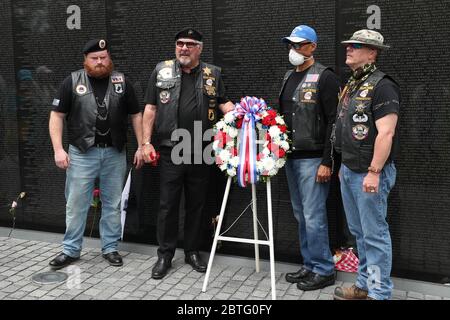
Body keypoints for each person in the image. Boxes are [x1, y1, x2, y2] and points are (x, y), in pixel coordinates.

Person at [142, 28, 234, 280]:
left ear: (200, 48)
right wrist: (145, 143)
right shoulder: (162, 70)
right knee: (168, 204)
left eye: (190, 44)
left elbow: (224, 102)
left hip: (201, 148)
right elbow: (150, 109)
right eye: (180, 43)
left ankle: (192, 251)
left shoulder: (212, 74)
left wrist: (243, 115)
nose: (184, 48)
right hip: (171, 149)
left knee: (198, 205)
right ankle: (165, 255)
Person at [48, 39, 144, 269]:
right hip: (81, 154)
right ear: (86, 60)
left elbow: (136, 115)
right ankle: (70, 250)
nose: (100, 62)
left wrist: (142, 145)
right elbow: (56, 116)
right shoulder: (72, 81)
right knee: (76, 203)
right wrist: (58, 149)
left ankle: (110, 248)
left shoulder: (122, 82)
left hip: (114, 153)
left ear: (109, 58)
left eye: (103, 57)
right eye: (94, 58)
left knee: (112, 203)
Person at [332, 29, 400, 300]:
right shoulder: (353, 82)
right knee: (359, 233)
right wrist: (343, 166)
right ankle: (363, 286)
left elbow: (386, 133)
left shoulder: (383, 85)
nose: (348, 49)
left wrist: (373, 172)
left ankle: (379, 294)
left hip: (370, 173)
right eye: (348, 45)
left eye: (356, 46)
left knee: (374, 235)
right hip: (350, 170)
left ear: (372, 52)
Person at [279, 25, 340, 291]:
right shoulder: (288, 76)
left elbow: (333, 122)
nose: (295, 50)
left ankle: (324, 269)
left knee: (314, 215)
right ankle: (310, 264)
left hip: (314, 158)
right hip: (291, 158)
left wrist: (327, 161)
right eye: (291, 45)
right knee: (300, 214)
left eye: (300, 44)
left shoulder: (325, 77)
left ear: (313, 46)